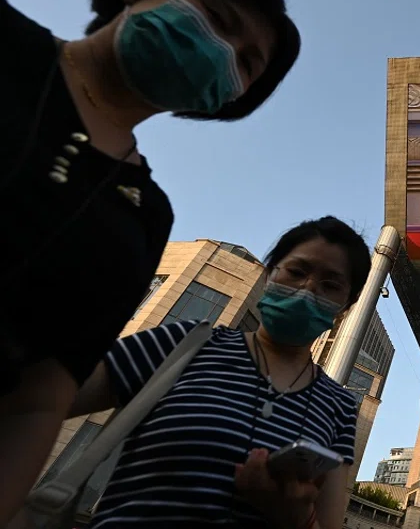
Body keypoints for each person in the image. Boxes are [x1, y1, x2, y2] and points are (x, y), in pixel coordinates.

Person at [0, 0, 301, 523]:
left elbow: (36, 403)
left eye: (246, 63)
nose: (220, 51)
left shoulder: (143, 217)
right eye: (216, 19)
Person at [67, 217, 369, 528]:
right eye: (296, 272)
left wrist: (295, 516)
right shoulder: (182, 345)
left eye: (330, 285)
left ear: (346, 307)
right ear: (269, 275)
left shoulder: (340, 408)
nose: (307, 289)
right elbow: (43, 400)